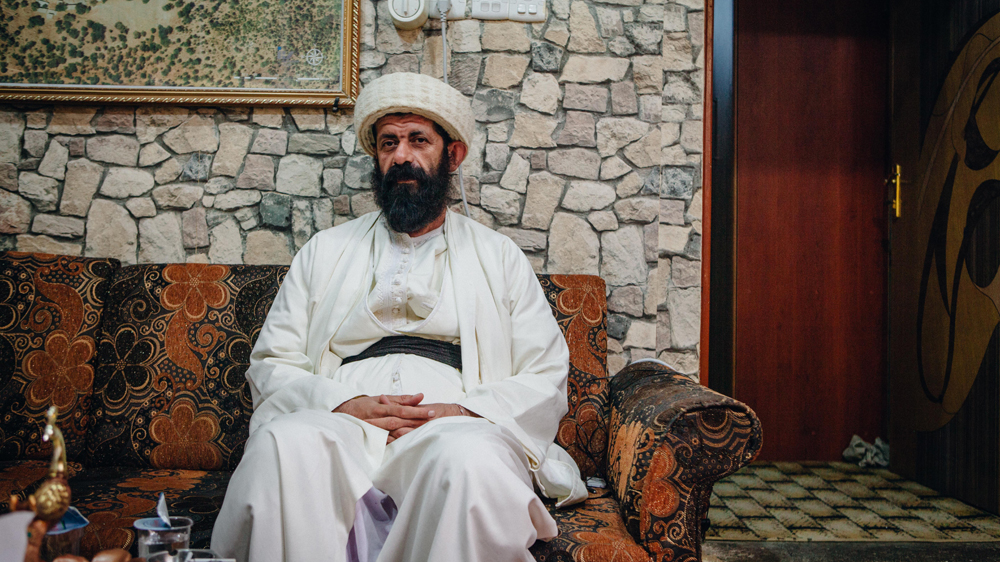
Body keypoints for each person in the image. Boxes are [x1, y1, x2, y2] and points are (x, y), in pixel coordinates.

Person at [210, 72, 587, 562]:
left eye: (418, 141)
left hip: (451, 421)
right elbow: (272, 362)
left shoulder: (500, 256)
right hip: (340, 420)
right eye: (389, 143)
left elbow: (544, 371)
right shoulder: (325, 251)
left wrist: (466, 412)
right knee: (283, 444)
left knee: (470, 459)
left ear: (452, 155)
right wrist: (343, 402)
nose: (401, 156)